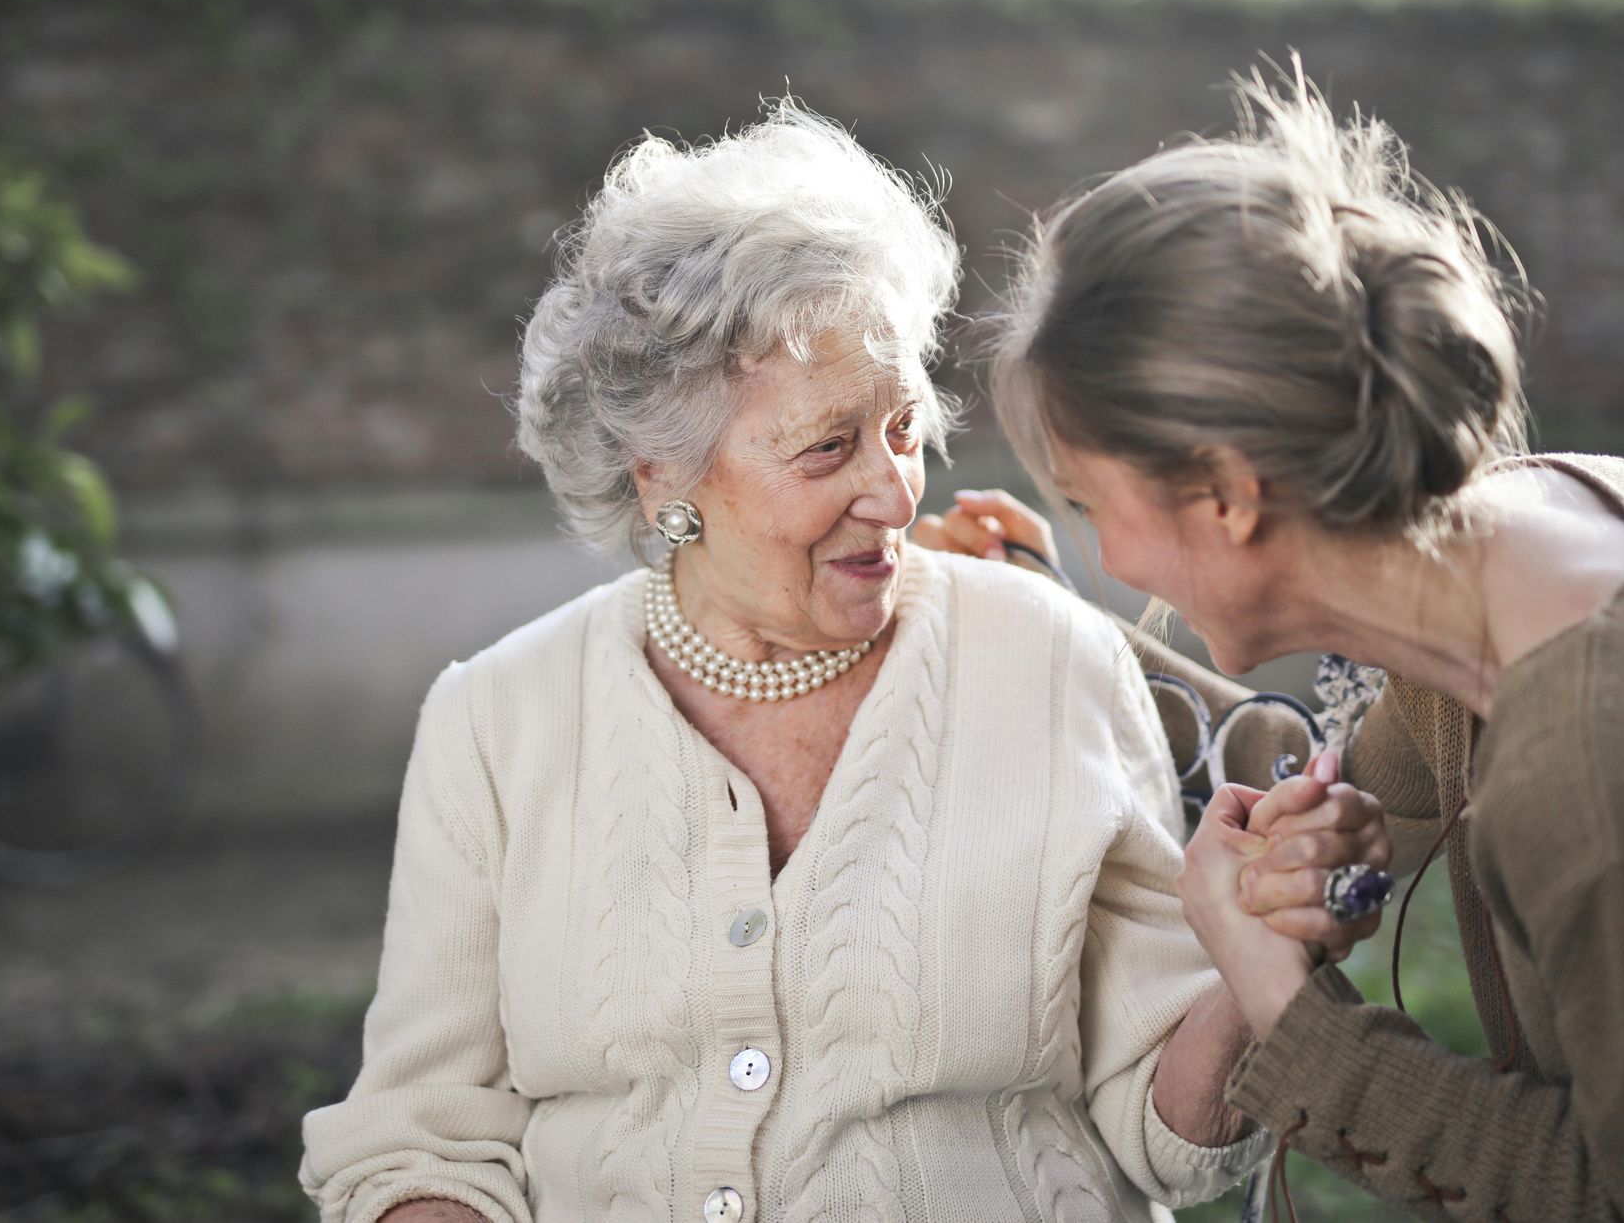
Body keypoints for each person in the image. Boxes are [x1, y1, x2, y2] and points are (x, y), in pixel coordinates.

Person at [297, 103, 1385, 1223]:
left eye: (904, 428)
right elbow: (420, 1139)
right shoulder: (495, 720)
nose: (895, 490)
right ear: (661, 476)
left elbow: (1172, 1142)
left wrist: (1253, 963)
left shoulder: (1047, 660)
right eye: (828, 446)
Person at [953, 61, 1624, 1220]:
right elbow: (1322, 775)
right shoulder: (1538, 533)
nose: (1108, 556)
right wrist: (1038, 616)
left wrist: (1291, 1016)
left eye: (1089, 508)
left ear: (1223, 495)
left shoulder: (1602, 781)